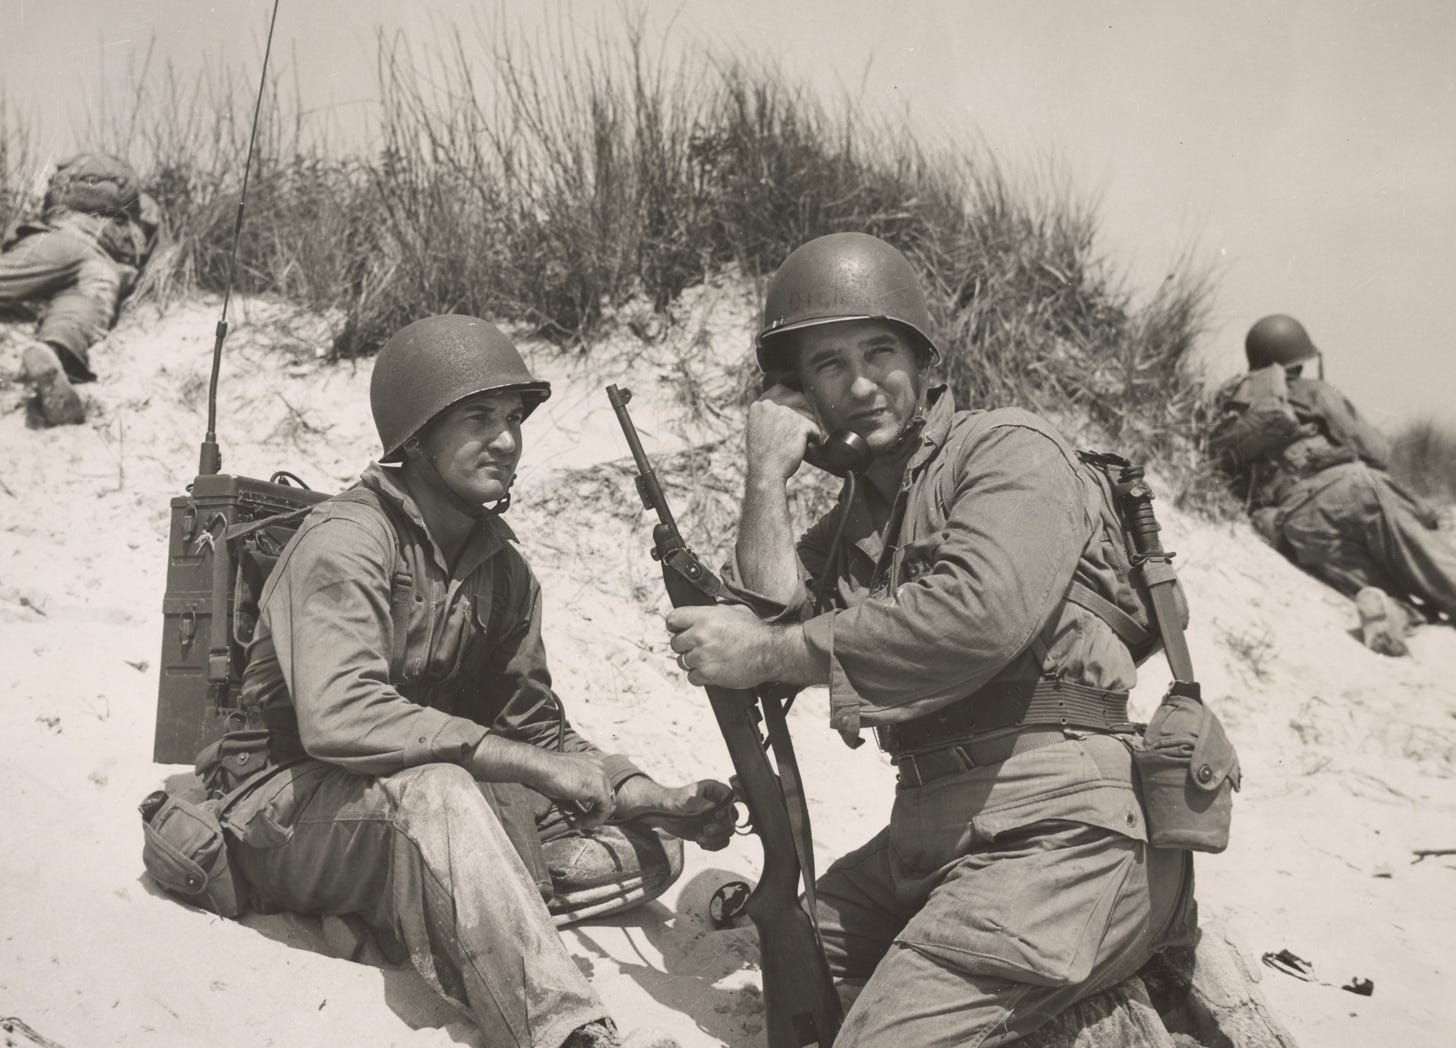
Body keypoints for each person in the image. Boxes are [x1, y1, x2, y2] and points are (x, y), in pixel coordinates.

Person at [663, 233, 1197, 1045]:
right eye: (829, 365)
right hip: (929, 835)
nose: (861, 384)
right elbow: (772, 621)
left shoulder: (1008, 448)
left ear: (922, 361)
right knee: (802, 976)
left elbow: (975, 616)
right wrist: (766, 473)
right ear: (799, 392)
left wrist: (769, 651)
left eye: (880, 352)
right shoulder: (852, 525)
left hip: (1063, 826)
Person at [229, 315, 734, 1048]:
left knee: (655, 846)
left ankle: (453, 914)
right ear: (415, 438)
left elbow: (539, 731)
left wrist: (649, 794)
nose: (506, 440)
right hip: (288, 810)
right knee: (442, 791)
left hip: (417, 802)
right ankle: (562, 1028)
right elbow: (340, 718)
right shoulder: (347, 541)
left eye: (513, 418)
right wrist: (529, 767)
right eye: (477, 419)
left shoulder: (502, 569)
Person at [1209, 314, 1456, 655]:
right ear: (1299, 359)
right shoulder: (1312, 391)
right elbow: (1376, 451)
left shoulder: (1233, 409)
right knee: (1438, 570)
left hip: (1298, 521)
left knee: (1381, 590)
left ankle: (1395, 612)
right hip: (1352, 489)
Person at [1, 152, 160, 425]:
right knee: (79, 315)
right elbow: (160, 263)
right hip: (98, 262)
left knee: (69, 311)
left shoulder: (78, 200)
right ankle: (58, 350)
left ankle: (51, 358)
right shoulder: (146, 212)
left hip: (69, 245)